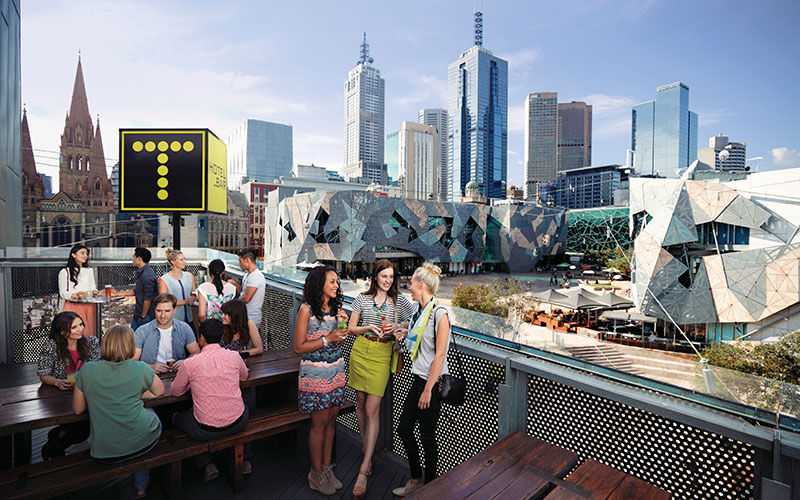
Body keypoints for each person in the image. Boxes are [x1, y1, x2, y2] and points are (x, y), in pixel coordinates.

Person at [347, 259, 414, 499]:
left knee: (373, 409)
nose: (387, 281)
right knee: (361, 404)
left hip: (382, 354)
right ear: (375, 277)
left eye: (390, 277)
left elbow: (413, 322)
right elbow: (350, 327)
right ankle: (367, 449)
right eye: (383, 276)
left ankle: (364, 468)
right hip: (361, 350)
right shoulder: (362, 299)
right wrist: (367, 328)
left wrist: (398, 325)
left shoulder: (399, 301)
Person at [73, 324, 164, 498]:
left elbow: (78, 410)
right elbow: (159, 392)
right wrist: (135, 393)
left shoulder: (87, 370)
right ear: (130, 345)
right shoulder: (142, 368)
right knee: (150, 416)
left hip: (105, 451)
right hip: (144, 442)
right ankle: (141, 487)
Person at [392, 262, 451, 496]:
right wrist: (403, 330)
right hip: (418, 380)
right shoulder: (419, 311)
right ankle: (417, 479)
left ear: (422, 285)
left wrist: (428, 389)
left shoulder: (440, 314)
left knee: (427, 437)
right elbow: (418, 334)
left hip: (431, 385)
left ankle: (430, 487)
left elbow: (440, 354)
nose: (410, 288)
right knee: (404, 429)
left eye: (412, 284)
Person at [171, 319, 250, 483]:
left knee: (175, 417)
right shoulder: (234, 356)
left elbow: (175, 391)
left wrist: (191, 385)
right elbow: (244, 376)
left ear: (201, 338)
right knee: (247, 403)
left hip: (205, 430)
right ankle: (243, 457)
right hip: (238, 422)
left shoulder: (190, 363)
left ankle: (205, 462)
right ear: (222, 336)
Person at [293, 266, 348, 495]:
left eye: (337, 282)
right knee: (318, 424)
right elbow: (298, 347)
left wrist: (343, 324)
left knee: (332, 421)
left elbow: (341, 341)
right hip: (315, 374)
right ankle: (315, 474)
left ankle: (327, 469)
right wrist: (327, 339)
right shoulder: (306, 310)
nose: (336, 285)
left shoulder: (337, 308)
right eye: (332, 282)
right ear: (320, 284)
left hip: (335, 371)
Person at [37, 311, 100, 459]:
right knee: (81, 426)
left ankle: (58, 439)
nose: (80, 329)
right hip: (61, 395)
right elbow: (43, 374)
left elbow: (96, 367)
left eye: (81, 325)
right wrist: (57, 382)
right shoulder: (52, 346)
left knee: (84, 425)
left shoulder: (91, 342)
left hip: (86, 392)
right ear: (63, 331)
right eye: (74, 327)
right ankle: (59, 440)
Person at [133, 293, 200, 373]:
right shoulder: (142, 331)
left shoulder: (184, 328)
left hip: (177, 374)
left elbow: (196, 352)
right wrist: (150, 367)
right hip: (150, 375)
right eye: (159, 311)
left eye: (167, 311)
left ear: (174, 310)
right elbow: (133, 360)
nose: (163, 315)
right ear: (154, 310)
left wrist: (185, 362)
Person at [110, 247, 158, 330]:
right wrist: (116, 294)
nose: (132, 259)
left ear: (139, 259)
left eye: (133, 257)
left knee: (137, 340)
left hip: (145, 316)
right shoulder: (144, 272)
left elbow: (148, 298)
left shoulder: (147, 275)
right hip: (139, 315)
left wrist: (143, 316)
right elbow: (137, 291)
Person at [58, 244, 98, 335]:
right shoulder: (65, 272)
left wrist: (90, 293)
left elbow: (93, 289)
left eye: (86, 254)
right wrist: (74, 295)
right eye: (82, 253)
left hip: (89, 306)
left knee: (89, 333)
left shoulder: (89, 270)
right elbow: (63, 292)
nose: (85, 256)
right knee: (72, 332)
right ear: (73, 255)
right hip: (73, 306)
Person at [158, 248, 196, 327]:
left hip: (189, 318)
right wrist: (185, 301)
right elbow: (163, 303)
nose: (184, 261)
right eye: (181, 260)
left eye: (184, 259)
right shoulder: (164, 280)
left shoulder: (189, 276)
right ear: (173, 262)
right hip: (173, 321)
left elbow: (194, 293)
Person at [230, 249, 265, 327]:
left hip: (251, 320)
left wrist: (232, 304)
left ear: (247, 260)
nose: (239, 264)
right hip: (244, 318)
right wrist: (235, 284)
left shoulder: (256, 276)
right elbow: (244, 293)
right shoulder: (247, 275)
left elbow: (247, 298)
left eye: (240, 261)